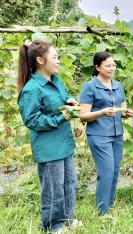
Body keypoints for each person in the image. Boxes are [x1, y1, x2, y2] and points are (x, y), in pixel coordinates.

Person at [17, 40, 81, 232]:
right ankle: (53, 226)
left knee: (70, 184)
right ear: (40, 60)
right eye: (55, 57)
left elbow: (62, 98)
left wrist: (69, 102)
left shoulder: (56, 81)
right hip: (48, 148)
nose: (58, 61)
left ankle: (68, 219)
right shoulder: (31, 89)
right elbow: (32, 120)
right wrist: (61, 117)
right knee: (53, 190)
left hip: (64, 143)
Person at [79, 52, 133, 214]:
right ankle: (102, 211)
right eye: (108, 66)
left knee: (115, 171)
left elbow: (121, 110)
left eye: (114, 65)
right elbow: (83, 116)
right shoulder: (90, 87)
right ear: (97, 67)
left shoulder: (118, 85)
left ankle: (108, 207)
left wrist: (126, 112)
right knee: (106, 172)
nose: (112, 68)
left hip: (117, 135)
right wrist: (102, 112)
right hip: (98, 135)